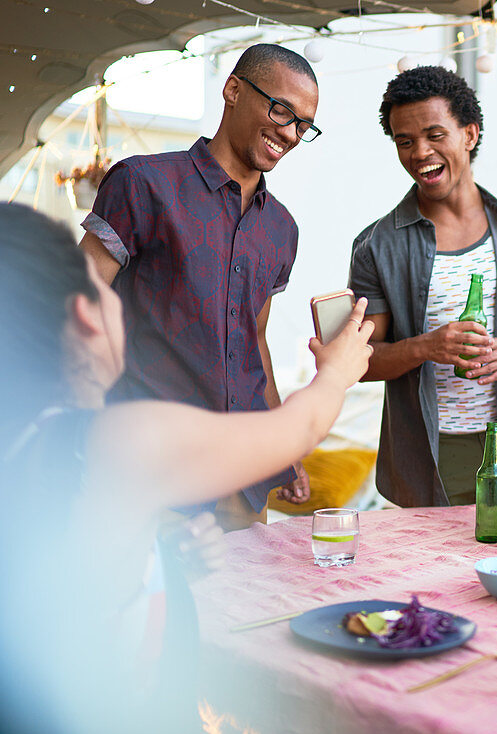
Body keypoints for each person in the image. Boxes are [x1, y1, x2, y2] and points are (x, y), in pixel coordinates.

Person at [0, 202, 375, 734]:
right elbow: (298, 430)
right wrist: (337, 372)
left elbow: (64, 588)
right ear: (87, 314)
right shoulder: (113, 446)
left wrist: (158, 562)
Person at [77, 44, 322, 530]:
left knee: (252, 606)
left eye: (303, 125)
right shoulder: (143, 184)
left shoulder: (282, 229)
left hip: (244, 473)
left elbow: (255, 344)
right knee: (160, 607)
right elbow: (76, 310)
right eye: (281, 110)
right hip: (155, 471)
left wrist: (284, 449)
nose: (290, 133)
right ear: (233, 90)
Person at [349, 66, 497, 507]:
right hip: (428, 453)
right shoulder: (376, 245)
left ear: (469, 134)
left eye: (434, 135)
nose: (419, 152)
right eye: (404, 141)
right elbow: (363, 361)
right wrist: (427, 347)